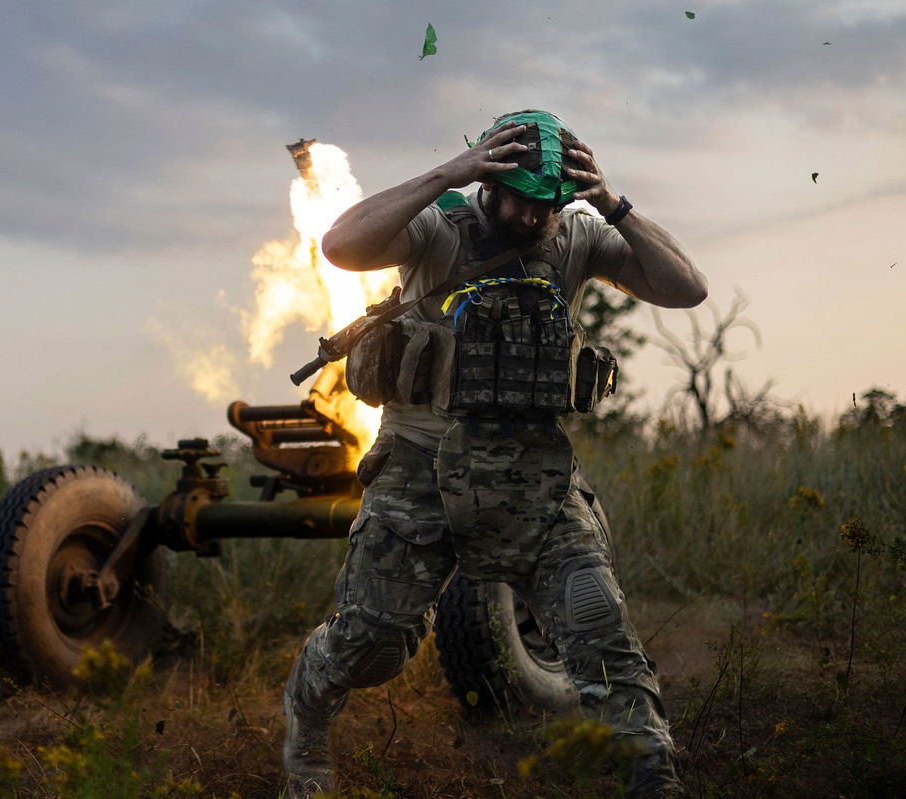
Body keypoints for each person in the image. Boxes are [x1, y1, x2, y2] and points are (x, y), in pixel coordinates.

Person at [282, 109, 707, 799]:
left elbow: (687, 287)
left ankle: (652, 775)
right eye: (522, 199)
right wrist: (448, 172)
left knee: (599, 627)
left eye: (550, 203)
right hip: (420, 464)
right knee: (372, 644)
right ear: (489, 178)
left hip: (533, 476)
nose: (535, 217)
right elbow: (341, 245)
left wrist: (609, 202)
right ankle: (306, 715)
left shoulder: (577, 233)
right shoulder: (437, 226)